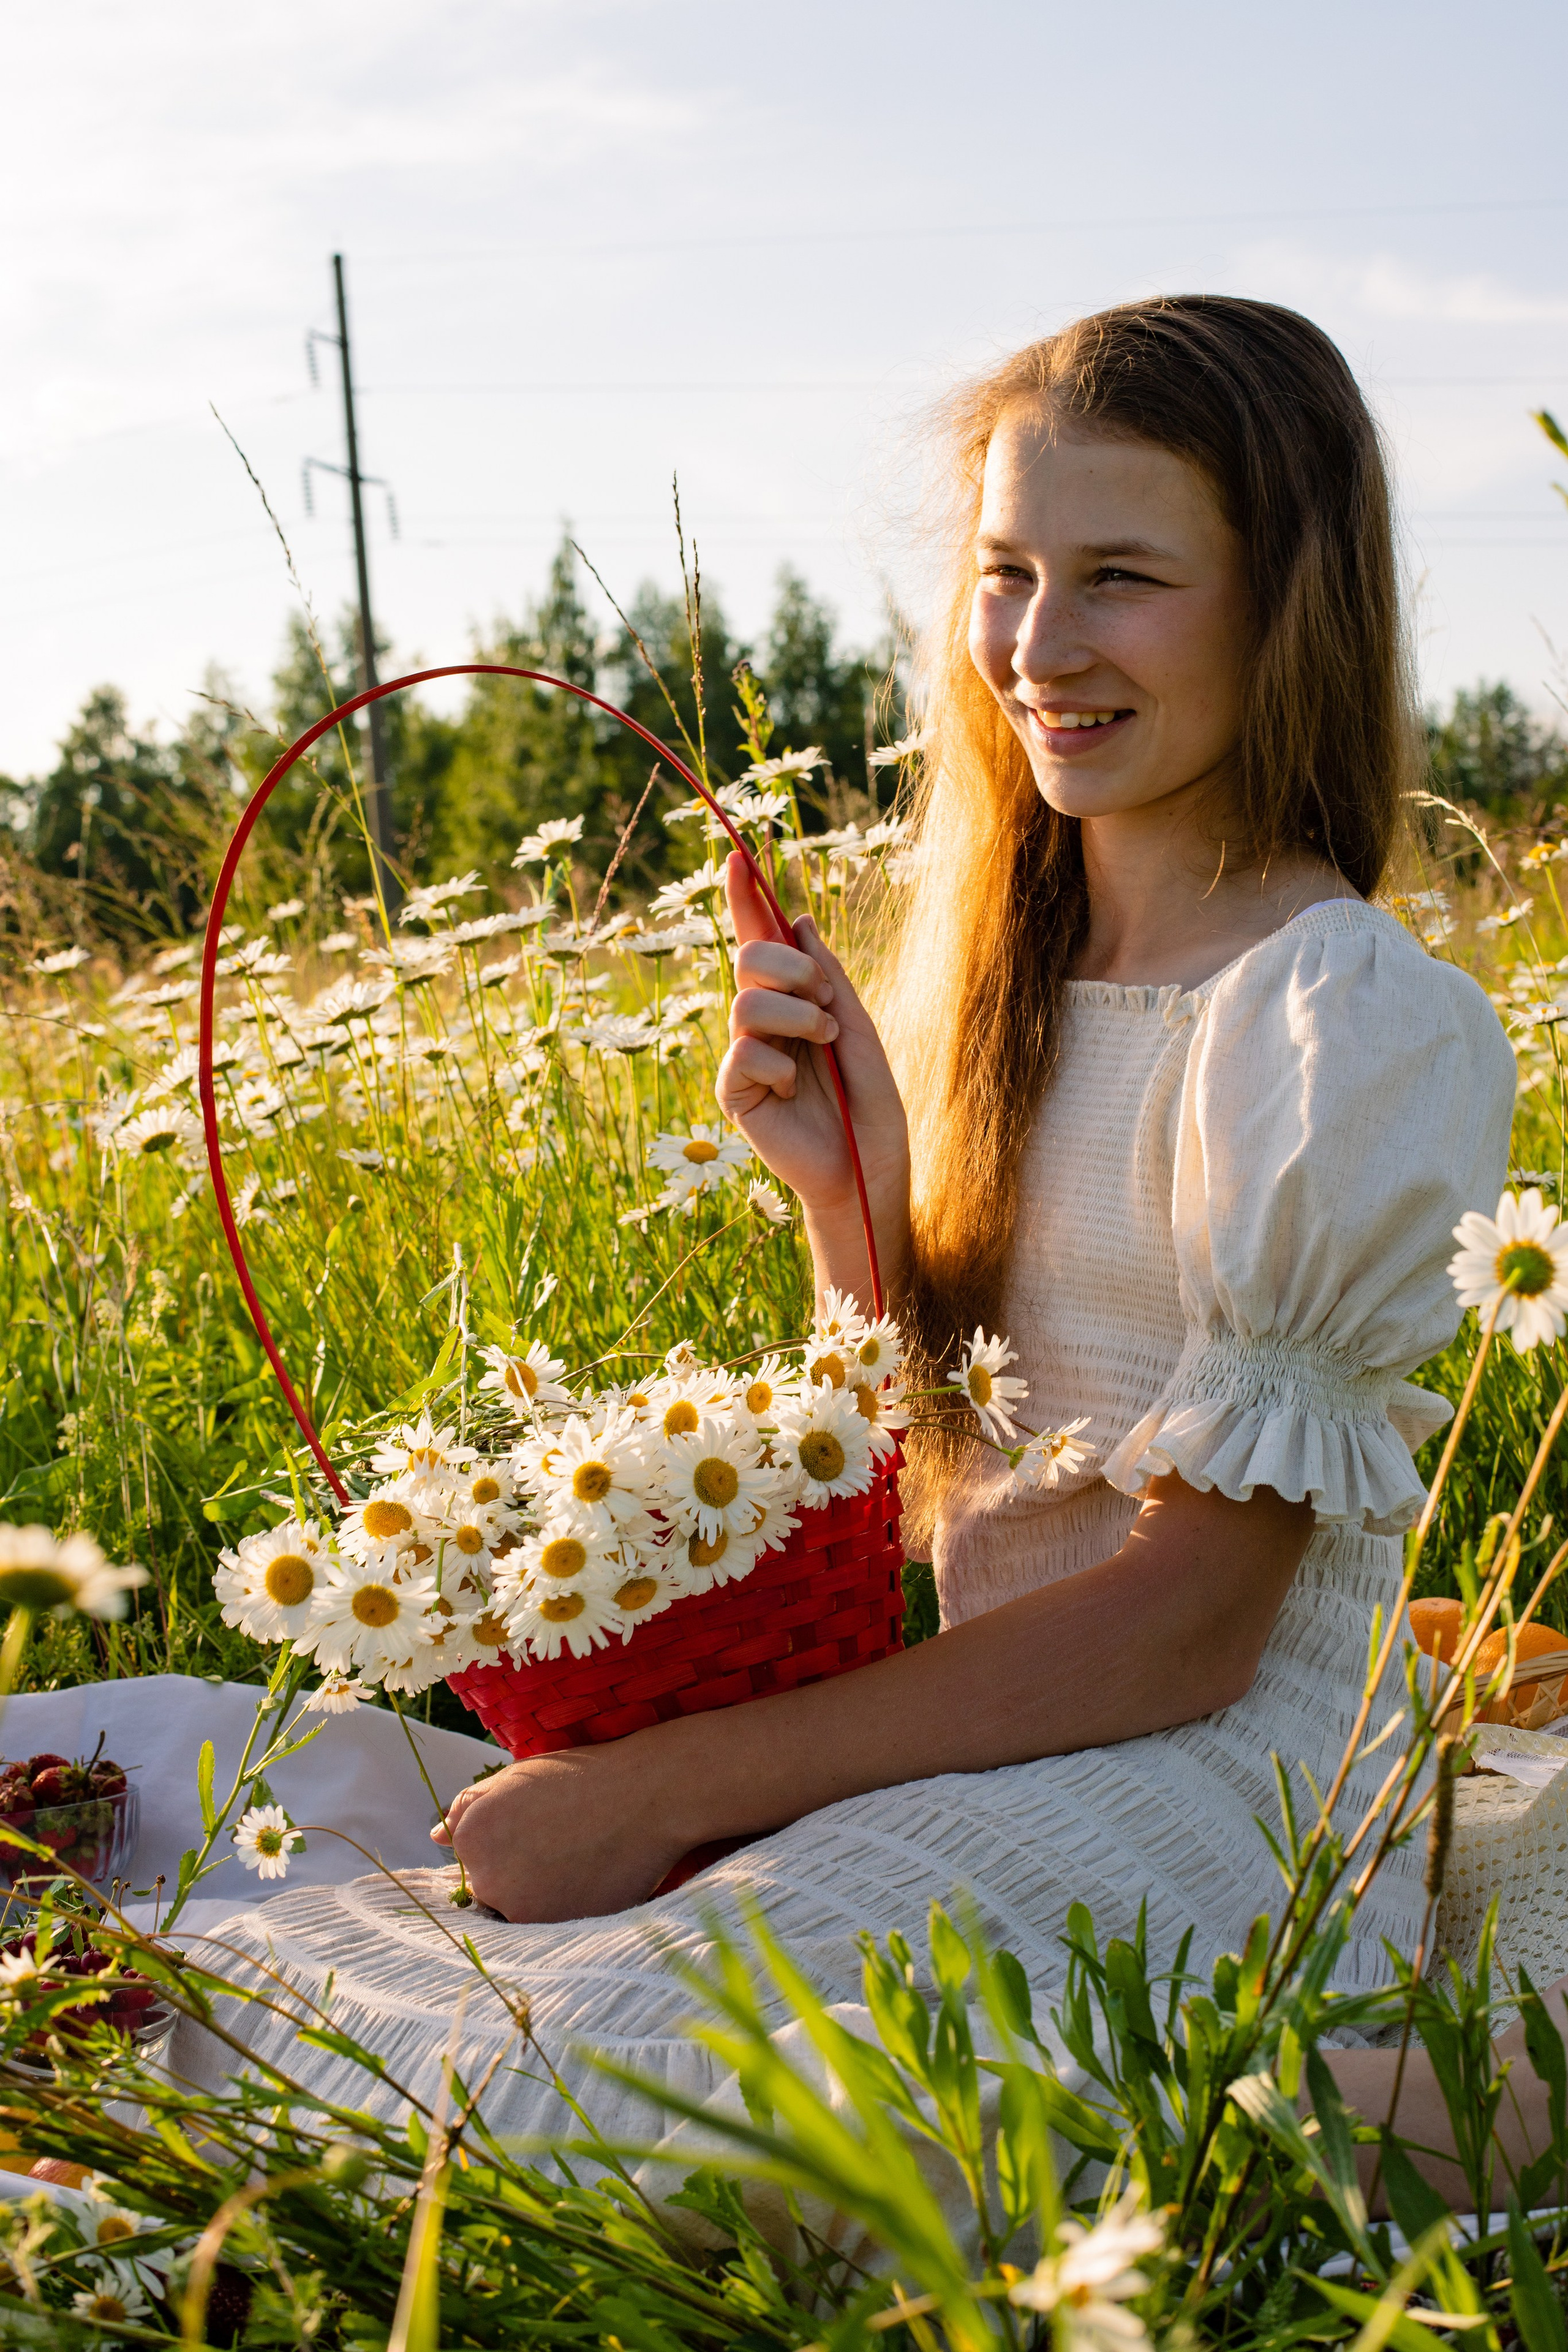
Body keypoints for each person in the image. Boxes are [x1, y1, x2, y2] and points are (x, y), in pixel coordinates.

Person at [176, 297, 1515, 2185]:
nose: (1039, 650)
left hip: (1222, 1783)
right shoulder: (1019, 983)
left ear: (1284, 603)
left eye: (1121, 577)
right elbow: (953, 1481)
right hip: (1004, 1739)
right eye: (1007, 574)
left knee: (642, 2094)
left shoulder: (1334, 1016)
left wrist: (659, 1790)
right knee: (426, 2020)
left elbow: (1190, 1625)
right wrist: (851, 1207)